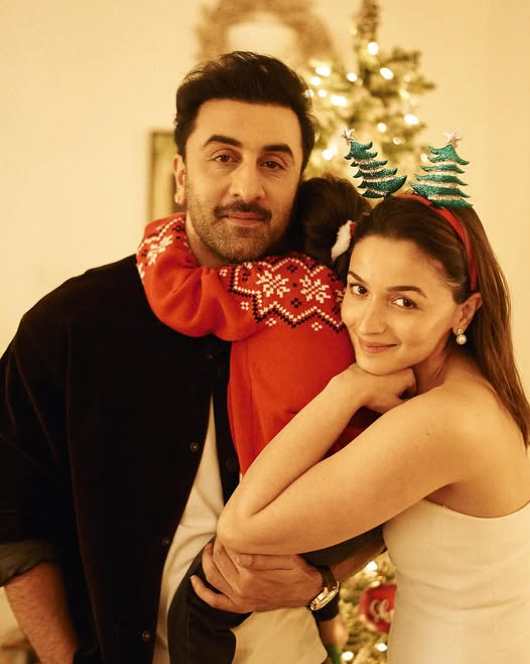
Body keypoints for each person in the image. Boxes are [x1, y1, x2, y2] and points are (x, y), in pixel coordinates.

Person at [0, 52, 407, 664]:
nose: (248, 187)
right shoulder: (71, 324)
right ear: (181, 174)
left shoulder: (347, 317)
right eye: (223, 157)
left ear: (299, 180)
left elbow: (404, 474)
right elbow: (13, 519)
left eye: (274, 162)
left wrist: (323, 579)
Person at [191, 165, 530, 662]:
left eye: (404, 301)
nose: (366, 323)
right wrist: (323, 582)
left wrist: (346, 389)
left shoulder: (445, 419)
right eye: (358, 289)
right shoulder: (443, 388)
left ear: (463, 311)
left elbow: (241, 525)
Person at [137, 176, 384, 664]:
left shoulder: (269, 284)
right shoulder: (356, 301)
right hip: (355, 493)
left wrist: (165, 231)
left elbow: (178, 295)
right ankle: (329, 633)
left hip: (285, 495)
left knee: (199, 605)